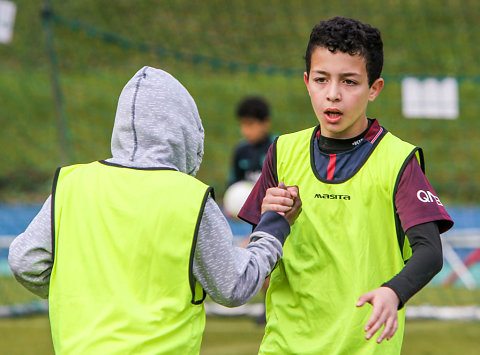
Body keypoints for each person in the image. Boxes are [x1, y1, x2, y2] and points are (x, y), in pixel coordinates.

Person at [8, 66, 302, 354]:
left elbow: (25, 261)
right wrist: (273, 226)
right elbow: (234, 285)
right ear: (187, 131)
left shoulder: (71, 185)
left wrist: (86, 296)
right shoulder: (192, 199)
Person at [238, 17, 454, 354]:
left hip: (363, 346)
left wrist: (393, 291)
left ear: (374, 89)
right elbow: (259, 252)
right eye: (322, 79)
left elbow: (430, 252)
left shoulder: (398, 160)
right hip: (283, 345)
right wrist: (272, 219)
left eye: (349, 82)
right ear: (307, 82)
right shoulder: (281, 153)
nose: (333, 94)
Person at [227, 96, 274, 187]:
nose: (245, 131)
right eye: (242, 124)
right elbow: (232, 183)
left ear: (266, 123)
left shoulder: (277, 148)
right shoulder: (241, 150)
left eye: (250, 124)